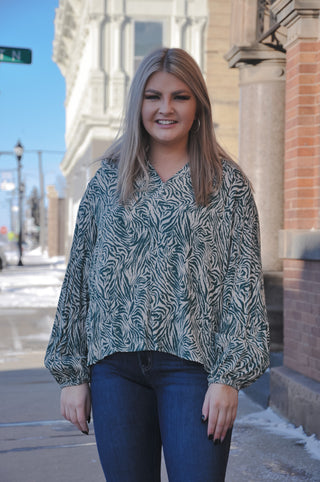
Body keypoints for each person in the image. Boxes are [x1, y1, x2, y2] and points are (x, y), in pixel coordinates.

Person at [45, 47, 269, 482]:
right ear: (138, 105)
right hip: (114, 370)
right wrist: (71, 372)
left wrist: (228, 378)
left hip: (192, 370)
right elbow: (79, 280)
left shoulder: (228, 186)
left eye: (180, 97)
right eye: (153, 96)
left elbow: (244, 286)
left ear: (198, 104)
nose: (166, 108)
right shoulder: (107, 181)